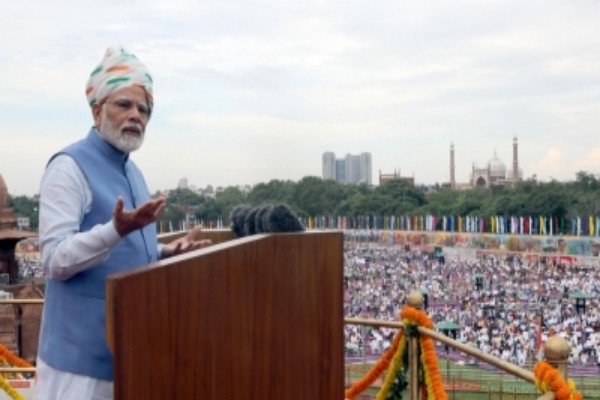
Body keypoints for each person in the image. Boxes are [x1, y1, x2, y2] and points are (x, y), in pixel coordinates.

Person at [34, 46, 211, 400]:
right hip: (78, 368)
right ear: (97, 109)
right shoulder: (68, 167)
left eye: (144, 109)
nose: (136, 115)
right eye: (124, 105)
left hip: (131, 358)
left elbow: (126, 248)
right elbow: (53, 259)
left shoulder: (134, 171)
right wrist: (115, 230)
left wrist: (164, 251)